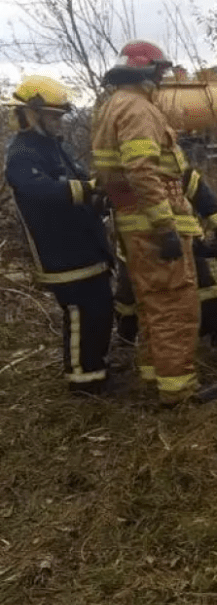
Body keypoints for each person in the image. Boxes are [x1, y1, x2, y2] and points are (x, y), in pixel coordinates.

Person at [91, 39, 217, 407]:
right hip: (153, 226)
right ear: (145, 70)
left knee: (152, 304)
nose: (163, 78)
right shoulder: (138, 110)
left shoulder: (111, 107)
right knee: (175, 307)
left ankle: (155, 376)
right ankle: (178, 392)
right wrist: (165, 226)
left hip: (134, 224)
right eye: (161, 71)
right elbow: (142, 171)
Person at [4, 75, 116, 397]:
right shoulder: (22, 154)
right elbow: (39, 191)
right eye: (53, 116)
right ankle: (82, 380)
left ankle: (97, 366)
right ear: (32, 113)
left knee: (100, 308)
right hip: (62, 253)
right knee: (80, 312)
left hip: (86, 246)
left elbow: (80, 179)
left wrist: (100, 192)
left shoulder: (54, 147)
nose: (58, 121)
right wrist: (86, 190)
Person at [114, 157, 217, 345]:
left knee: (205, 289)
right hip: (141, 246)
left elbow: (207, 203)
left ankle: (214, 333)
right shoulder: (127, 172)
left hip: (184, 242)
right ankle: (126, 335)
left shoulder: (178, 168)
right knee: (130, 297)